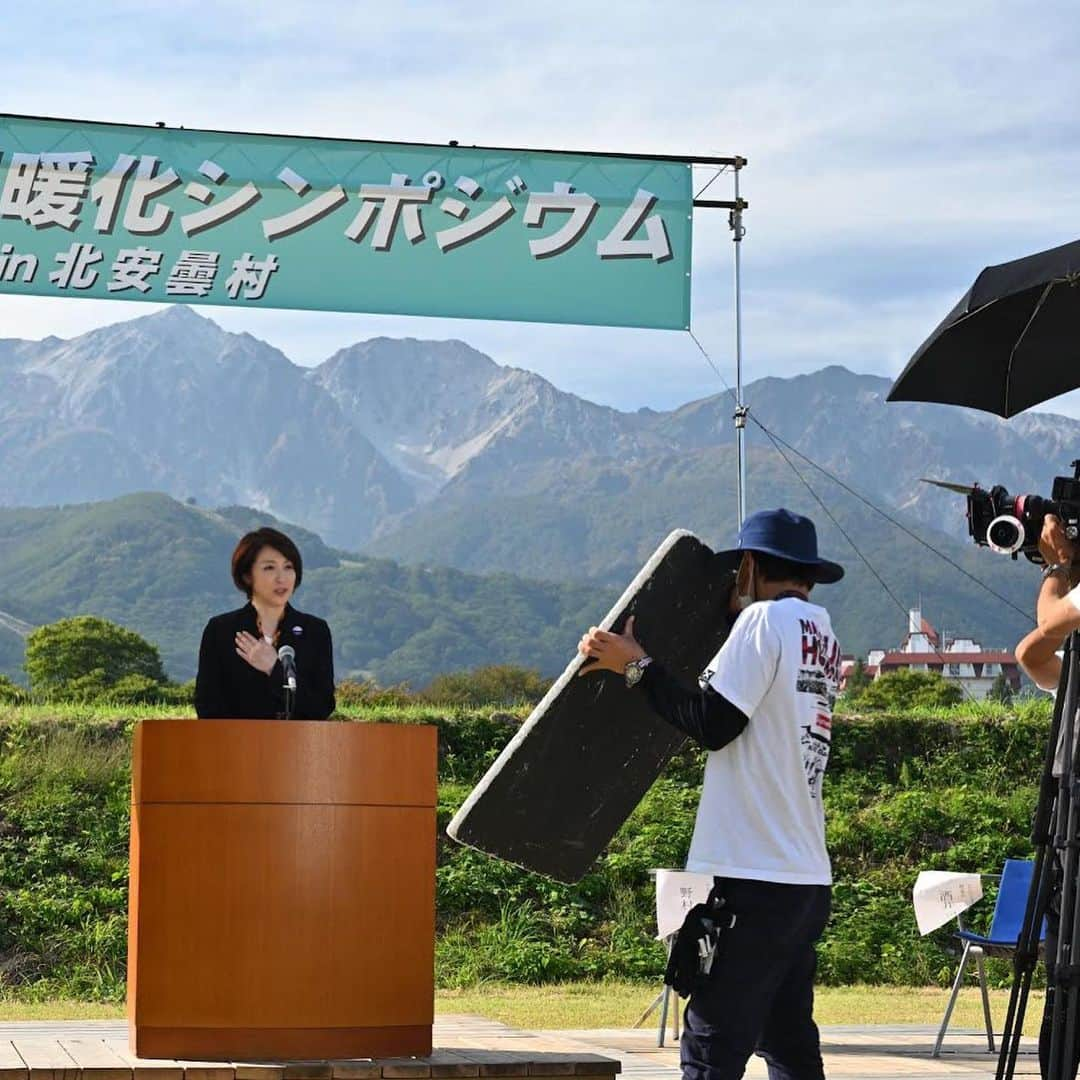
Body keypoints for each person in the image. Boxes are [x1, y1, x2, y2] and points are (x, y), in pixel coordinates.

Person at [578, 508, 843, 1080]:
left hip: (753, 879)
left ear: (747, 567)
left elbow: (715, 723)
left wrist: (636, 666)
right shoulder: (819, 631)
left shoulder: (761, 624)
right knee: (789, 1044)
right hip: (804, 880)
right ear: (809, 575)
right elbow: (761, 696)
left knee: (709, 1051)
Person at [1014, 514, 1080, 1079]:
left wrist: (1060, 564)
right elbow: (1032, 654)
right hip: (1070, 811)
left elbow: (1052, 617)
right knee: (1063, 956)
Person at [195, 526, 335, 720]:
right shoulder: (221, 630)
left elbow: (322, 706)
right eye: (270, 568)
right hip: (237, 748)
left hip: (298, 747)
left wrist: (274, 669)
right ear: (247, 575)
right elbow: (207, 707)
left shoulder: (315, 631)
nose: (282, 578)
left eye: (288, 567)